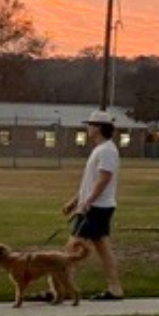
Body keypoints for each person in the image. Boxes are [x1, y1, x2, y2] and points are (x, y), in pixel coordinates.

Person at [62, 115, 125, 301]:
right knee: (103, 248)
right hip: (96, 206)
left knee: (71, 249)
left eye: (90, 125)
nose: (87, 128)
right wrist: (75, 201)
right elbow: (90, 182)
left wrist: (86, 204)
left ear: (99, 127)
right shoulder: (101, 149)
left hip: (96, 208)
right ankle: (115, 289)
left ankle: (62, 289)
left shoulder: (107, 151)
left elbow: (104, 180)